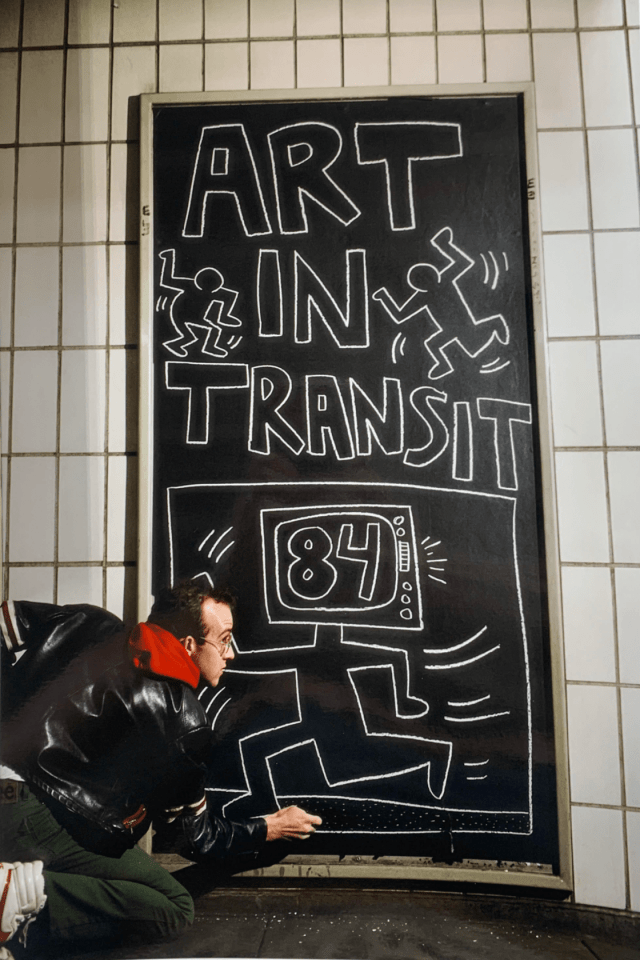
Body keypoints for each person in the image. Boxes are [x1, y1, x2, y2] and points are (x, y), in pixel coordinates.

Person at [0, 584, 321, 958]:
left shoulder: (90, 621)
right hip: (25, 814)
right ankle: (18, 892)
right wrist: (269, 828)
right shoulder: (184, 723)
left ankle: (14, 923)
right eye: (224, 640)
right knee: (172, 909)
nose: (230, 654)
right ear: (188, 645)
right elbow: (198, 839)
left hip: (23, 802)